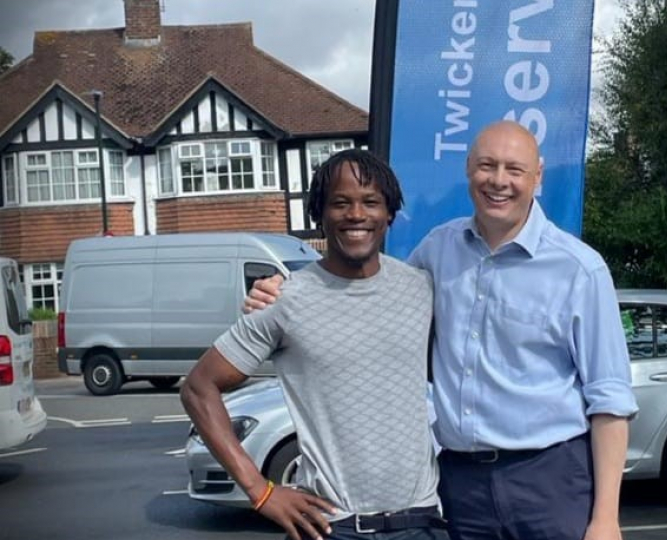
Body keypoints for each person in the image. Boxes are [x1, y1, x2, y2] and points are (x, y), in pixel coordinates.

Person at [245, 121, 638, 540]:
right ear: (468, 168)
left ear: (537, 176)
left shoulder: (579, 270)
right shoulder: (437, 249)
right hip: (460, 486)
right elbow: (368, 291)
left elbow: (610, 399)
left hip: (550, 480)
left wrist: (606, 519)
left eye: (514, 169)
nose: (498, 181)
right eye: (487, 166)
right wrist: (283, 291)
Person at [181, 148, 447, 540]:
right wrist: (260, 491)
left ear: (389, 213)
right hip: (332, 526)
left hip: (420, 522)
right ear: (318, 215)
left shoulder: (421, 288)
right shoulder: (285, 300)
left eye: (370, 202)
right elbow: (198, 388)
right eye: (340, 203)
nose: (356, 214)